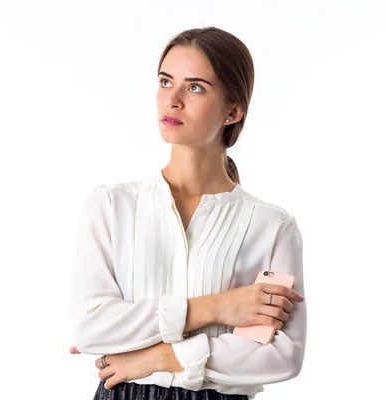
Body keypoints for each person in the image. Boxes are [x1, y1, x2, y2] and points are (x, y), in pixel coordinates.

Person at [69, 26, 307, 400]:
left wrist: (159, 357)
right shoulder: (112, 205)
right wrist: (216, 307)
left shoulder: (271, 226)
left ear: (233, 110)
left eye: (195, 87)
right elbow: (91, 327)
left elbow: (282, 355)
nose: (172, 100)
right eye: (165, 82)